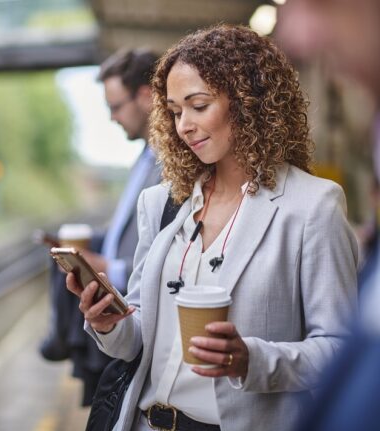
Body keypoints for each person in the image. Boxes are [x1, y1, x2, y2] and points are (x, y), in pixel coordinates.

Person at [67, 25, 358, 431]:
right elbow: (136, 341)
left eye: (198, 105)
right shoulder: (162, 203)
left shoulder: (312, 206)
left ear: (248, 102)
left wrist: (250, 360)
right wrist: (108, 322)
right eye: (173, 111)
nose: (183, 125)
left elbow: (341, 351)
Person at [277, 1, 380, 429]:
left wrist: (252, 359)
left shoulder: (318, 202)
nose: (296, 35)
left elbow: (331, 341)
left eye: (324, 3)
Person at [40, 49, 161, 406]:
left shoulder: (169, 163)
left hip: (134, 311)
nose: (111, 117)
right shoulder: (144, 157)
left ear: (145, 96)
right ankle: (61, 337)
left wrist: (111, 267)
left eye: (116, 106)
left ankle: (61, 339)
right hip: (118, 315)